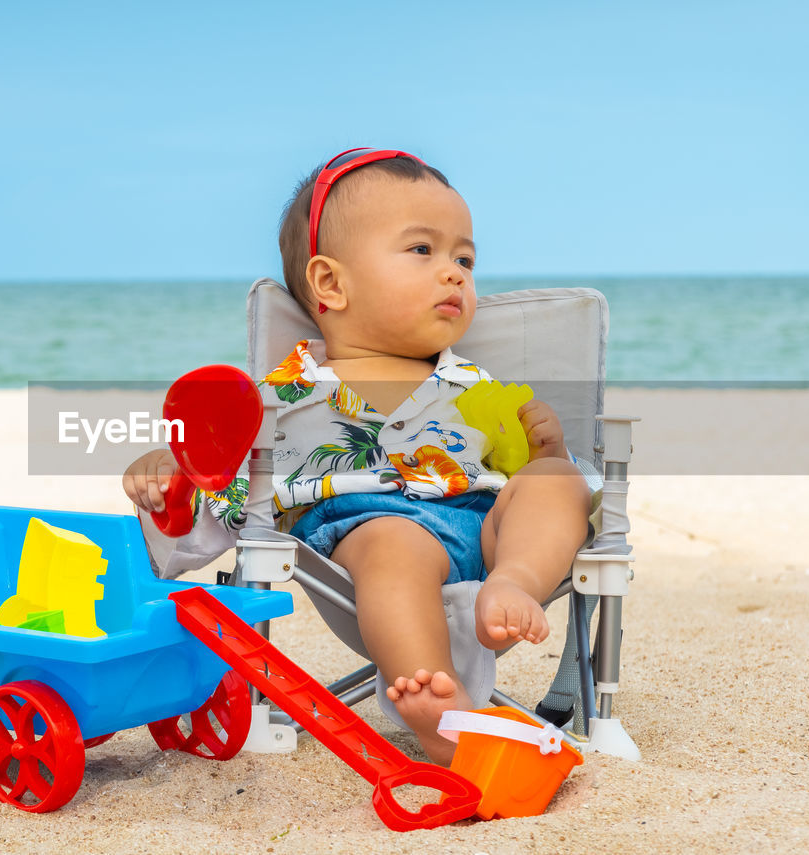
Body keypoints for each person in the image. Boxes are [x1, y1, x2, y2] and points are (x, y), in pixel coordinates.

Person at [123, 149, 590, 765]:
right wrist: (171, 471)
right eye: (422, 250)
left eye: (465, 259)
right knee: (396, 545)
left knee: (558, 481)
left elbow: (526, 481)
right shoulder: (283, 393)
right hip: (364, 534)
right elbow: (224, 478)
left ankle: (513, 586)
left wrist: (547, 455)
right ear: (331, 283)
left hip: (488, 533)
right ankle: (437, 711)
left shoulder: (480, 386)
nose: (453, 273)